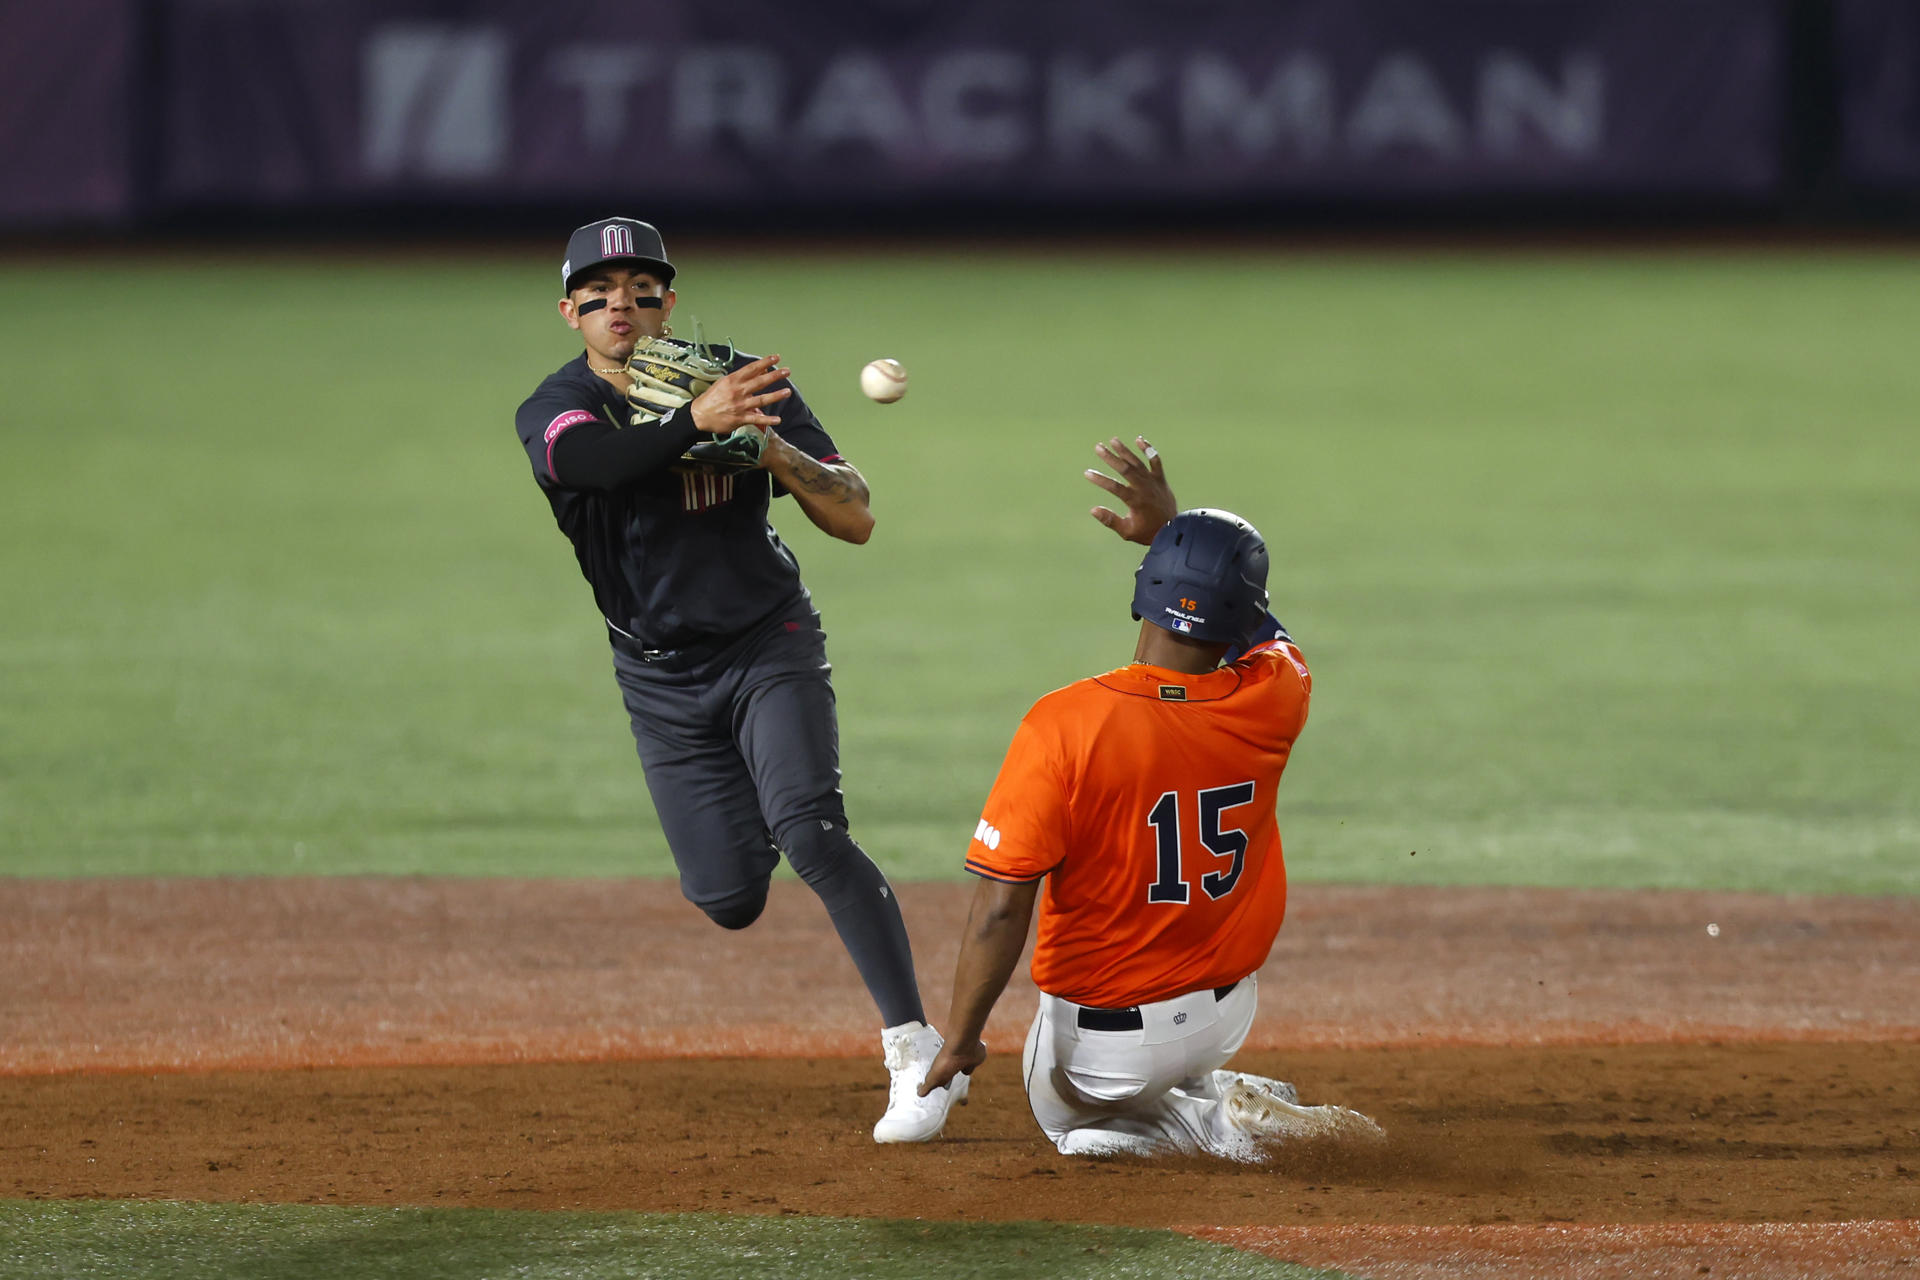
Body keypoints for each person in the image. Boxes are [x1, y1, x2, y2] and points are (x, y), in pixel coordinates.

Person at [511, 217, 960, 1143]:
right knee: (728, 899)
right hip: (659, 679)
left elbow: (856, 517)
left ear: (668, 303)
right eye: (599, 293)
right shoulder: (558, 408)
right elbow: (589, 464)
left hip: (769, 641)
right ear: (570, 313)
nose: (622, 304)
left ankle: (920, 1054)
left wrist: (774, 452)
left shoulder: (745, 381)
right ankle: (755, 797)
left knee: (814, 834)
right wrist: (692, 424)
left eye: (642, 288)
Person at [917, 438, 1383, 1159]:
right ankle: (1202, 1089)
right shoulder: (1278, 694)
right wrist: (1189, 542)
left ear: (1143, 591)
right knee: (1161, 1058)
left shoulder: (1065, 722)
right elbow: (1267, 633)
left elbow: (1003, 905)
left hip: (1105, 1054)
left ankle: (1211, 1126)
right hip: (1229, 1010)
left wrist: (960, 1040)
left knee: (1067, 1126)